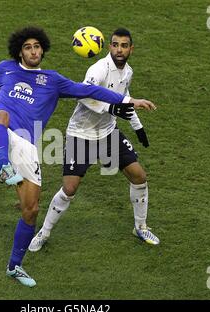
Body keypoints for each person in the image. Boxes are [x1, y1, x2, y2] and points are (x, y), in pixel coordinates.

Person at [0, 26, 156, 288]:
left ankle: (14, 266)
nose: (33, 51)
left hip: (25, 147)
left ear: (43, 50)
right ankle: (2, 166)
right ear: (19, 50)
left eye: (37, 47)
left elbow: (89, 91)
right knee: (0, 116)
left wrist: (128, 100)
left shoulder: (52, 80)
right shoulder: (4, 69)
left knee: (30, 210)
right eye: (28, 47)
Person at [28, 28, 160, 253]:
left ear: (131, 49)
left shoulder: (127, 72)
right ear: (108, 46)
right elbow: (84, 96)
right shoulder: (98, 69)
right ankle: (44, 232)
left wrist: (138, 127)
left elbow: (124, 97)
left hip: (108, 133)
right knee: (69, 189)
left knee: (139, 176)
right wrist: (113, 107)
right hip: (81, 135)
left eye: (124, 45)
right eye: (115, 45)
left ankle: (140, 226)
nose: (119, 49)